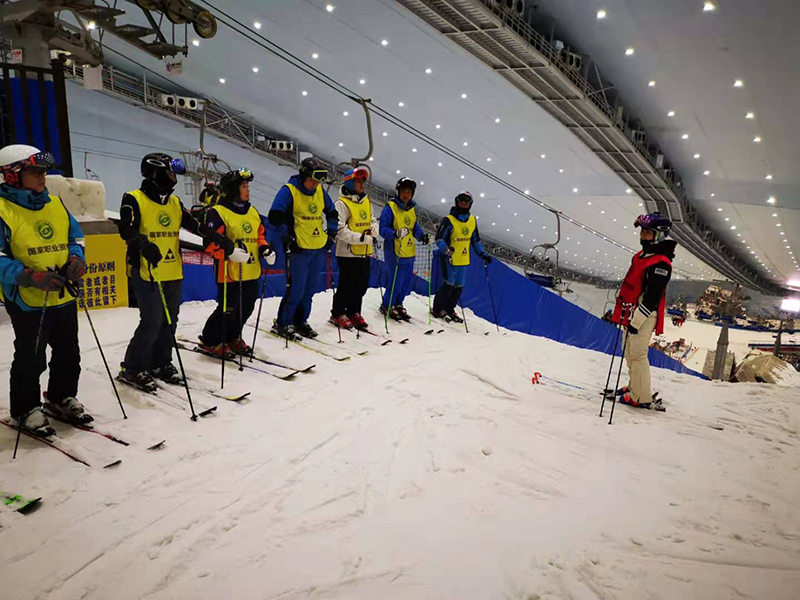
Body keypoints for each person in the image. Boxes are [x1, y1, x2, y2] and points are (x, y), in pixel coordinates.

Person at [0, 144, 92, 436]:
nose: (42, 177)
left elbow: (74, 237)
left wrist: (76, 259)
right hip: (28, 298)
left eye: (43, 171)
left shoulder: (54, 203)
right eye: (34, 171)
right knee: (32, 355)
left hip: (61, 292)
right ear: (12, 175)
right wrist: (28, 276)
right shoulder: (3, 209)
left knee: (68, 350)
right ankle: (25, 409)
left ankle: (59, 396)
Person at [117, 152, 199, 393]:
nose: (173, 178)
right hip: (147, 270)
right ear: (155, 174)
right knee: (151, 321)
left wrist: (215, 236)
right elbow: (126, 229)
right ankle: (133, 367)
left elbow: (194, 224)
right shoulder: (134, 199)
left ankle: (161, 362)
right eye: (169, 173)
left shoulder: (174, 203)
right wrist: (143, 245)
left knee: (170, 320)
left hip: (173, 270)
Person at [198, 168, 275, 357]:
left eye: (248, 186)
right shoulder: (219, 212)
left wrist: (264, 249)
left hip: (250, 270)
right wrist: (229, 253)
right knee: (228, 308)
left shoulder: (252, 212)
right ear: (233, 189)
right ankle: (211, 339)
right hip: (228, 272)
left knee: (246, 307)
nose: (247, 190)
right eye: (243, 186)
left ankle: (232, 336)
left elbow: (259, 235)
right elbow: (209, 243)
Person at [267, 156, 338, 339]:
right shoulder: (289, 191)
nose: (315, 184)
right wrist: (286, 237)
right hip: (298, 249)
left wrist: (331, 234)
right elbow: (275, 215)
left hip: (318, 248)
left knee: (309, 290)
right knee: (296, 290)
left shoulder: (320, 191)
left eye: (318, 181)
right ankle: (283, 323)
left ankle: (300, 321)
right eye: (312, 180)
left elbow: (332, 213)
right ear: (303, 175)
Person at [611, 212, 675, 408]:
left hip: (644, 316)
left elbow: (652, 297)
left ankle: (641, 396)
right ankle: (634, 387)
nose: (642, 236)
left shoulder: (661, 263)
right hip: (629, 312)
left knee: (638, 355)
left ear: (658, 235)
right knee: (629, 353)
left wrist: (636, 321)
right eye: (642, 232)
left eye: (647, 232)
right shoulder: (640, 256)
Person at [330, 166, 378, 331]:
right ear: (350, 183)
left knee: (361, 285)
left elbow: (373, 220)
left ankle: (354, 312)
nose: (361, 185)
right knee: (346, 285)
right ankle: (337, 313)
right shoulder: (341, 204)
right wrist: (361, 238)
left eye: (363, 181)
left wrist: (374, 232)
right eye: (358, 182)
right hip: (347, 253)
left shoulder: (366, 200)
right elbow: (340, 230)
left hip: (364, 252)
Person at [431, 191, 491, 323]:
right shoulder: (449, 220)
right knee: (449, 284)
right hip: (449, 258)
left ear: (470, 204)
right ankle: (437, 308)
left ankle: (449, 308)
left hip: (463, 259)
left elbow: (475, 241)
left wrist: (482, 254)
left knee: (459, 286)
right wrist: (446, 249)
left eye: (466, 201)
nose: (463, 204)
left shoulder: (471, 221)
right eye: (461, 201)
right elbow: (439, 238)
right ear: (456, 202)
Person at [378, 177, 430, 321]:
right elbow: (382, 229)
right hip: (394, 251)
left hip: (409, 251)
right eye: (403, 192)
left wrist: (422, 236)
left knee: (406, 282)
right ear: (398, 192)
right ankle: (387, 305)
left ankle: (398, 303)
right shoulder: (391, 208)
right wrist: (395, 234)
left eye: (408, 192)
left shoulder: (411, 209)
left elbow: (415, 227)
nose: (406, 195)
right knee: (396, 280)